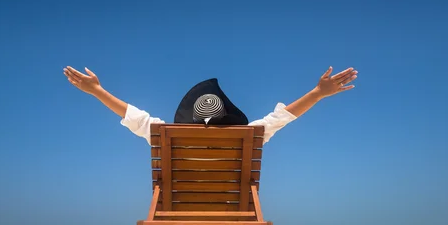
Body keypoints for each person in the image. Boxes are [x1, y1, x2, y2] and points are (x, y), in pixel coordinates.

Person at [63, 66, 358, 145]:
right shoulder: (250, 135)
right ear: (229, 116)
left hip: (176, 214)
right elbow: (282, 117)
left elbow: (135, 118)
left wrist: (97, 91)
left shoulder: (166, 134)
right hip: (235, 214)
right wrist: (318, 93)